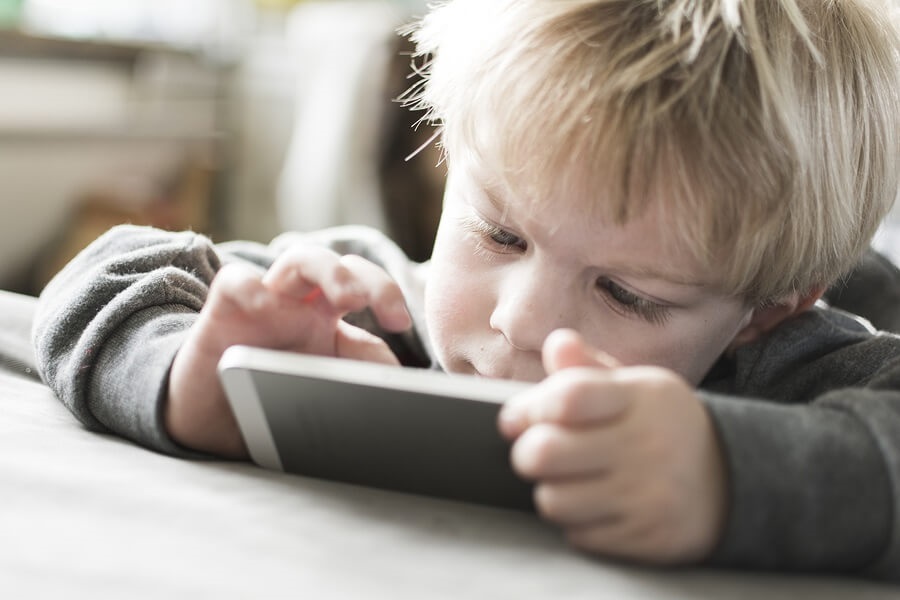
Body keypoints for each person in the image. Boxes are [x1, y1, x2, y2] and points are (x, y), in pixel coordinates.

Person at [32, 0, 900, 580]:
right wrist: (190, 377)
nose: (517, 319)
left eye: (629, 294)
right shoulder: (367, 301)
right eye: (501, 234)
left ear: (766, 313)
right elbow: (104, 277)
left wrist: (726, 470)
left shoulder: (793, 369)